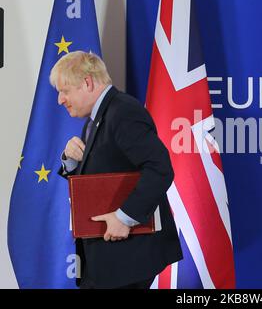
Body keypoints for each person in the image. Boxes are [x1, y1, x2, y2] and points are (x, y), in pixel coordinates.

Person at [51, 51, 182, 289]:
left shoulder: (123, 112)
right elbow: (101, 176)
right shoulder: (95, 120)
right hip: (107, 258)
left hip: (128, 257)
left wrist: (125, 217)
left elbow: (159, 168)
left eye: (65, 90)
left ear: (87, 82)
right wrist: (70, 160)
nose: (60, 99)